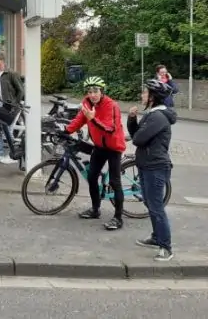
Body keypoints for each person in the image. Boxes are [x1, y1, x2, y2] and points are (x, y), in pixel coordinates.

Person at [65, 76, 126, 231]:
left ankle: (118, 218)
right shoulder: (86, 103)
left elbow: (109, 128)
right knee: (92, 177)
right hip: (99, 146)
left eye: (96, 91)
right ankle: (95, 210)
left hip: (113, 147)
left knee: (114, 181)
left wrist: (92, 119)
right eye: (90, 91)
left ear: (102, 91)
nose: (92, 95)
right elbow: (79, 120)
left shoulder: (111, 106)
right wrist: (65, 131)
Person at [128, 79, 177, 261]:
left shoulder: (157, 117)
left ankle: (166, 247)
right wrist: (132, 119)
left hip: (156, 167)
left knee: (156, 207)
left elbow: (138, 140)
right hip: (147, 165)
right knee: (150, 204)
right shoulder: (152, 115)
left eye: (145, 93)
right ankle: (157, 237)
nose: (142, 95)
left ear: (153, 97)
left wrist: (137, 129)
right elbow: (136, 135)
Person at [0, 53, 24, 164]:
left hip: (7, 106)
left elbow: (20, 90)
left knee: (7, 130)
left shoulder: (11, 73)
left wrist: (14, 104)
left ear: (1, 61)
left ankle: (12, 154)